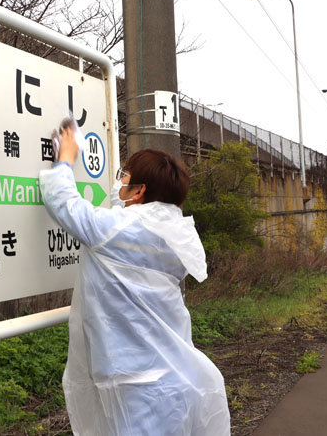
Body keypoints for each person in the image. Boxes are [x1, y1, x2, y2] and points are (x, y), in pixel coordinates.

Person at [39, 125, 230, 435]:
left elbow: (62, 203)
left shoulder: (116, 231)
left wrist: (65, 157)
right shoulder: (176, 234)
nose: (119, 184)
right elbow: (128, 215)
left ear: (139, 191)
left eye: (124, 178)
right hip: (177, 375)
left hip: (134, 382)